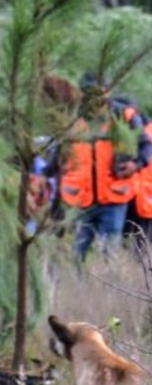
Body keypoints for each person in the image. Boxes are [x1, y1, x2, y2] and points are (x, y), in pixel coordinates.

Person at [57, 78, 152, 261]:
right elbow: (58, 153)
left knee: (109, 254)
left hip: (113, 196)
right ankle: (78, 281)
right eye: (88, 93)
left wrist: (136, 165)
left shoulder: (123, 115)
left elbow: (146, 147)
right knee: (75, 253)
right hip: (80, 198)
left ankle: (110, 280)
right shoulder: (72, 118)